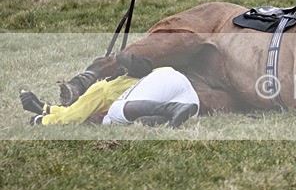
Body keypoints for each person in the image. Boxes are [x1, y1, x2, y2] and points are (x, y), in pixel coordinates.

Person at [20, 67, 199, 128]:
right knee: (137, 120)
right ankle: (168, 114)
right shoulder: (125, 83)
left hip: (167, 87)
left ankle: (171, 110)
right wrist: (45, 108)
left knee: (114, 113)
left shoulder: (100, 90)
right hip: (188, 99)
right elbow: (73, 111)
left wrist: (40, 120)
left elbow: (73, 116)